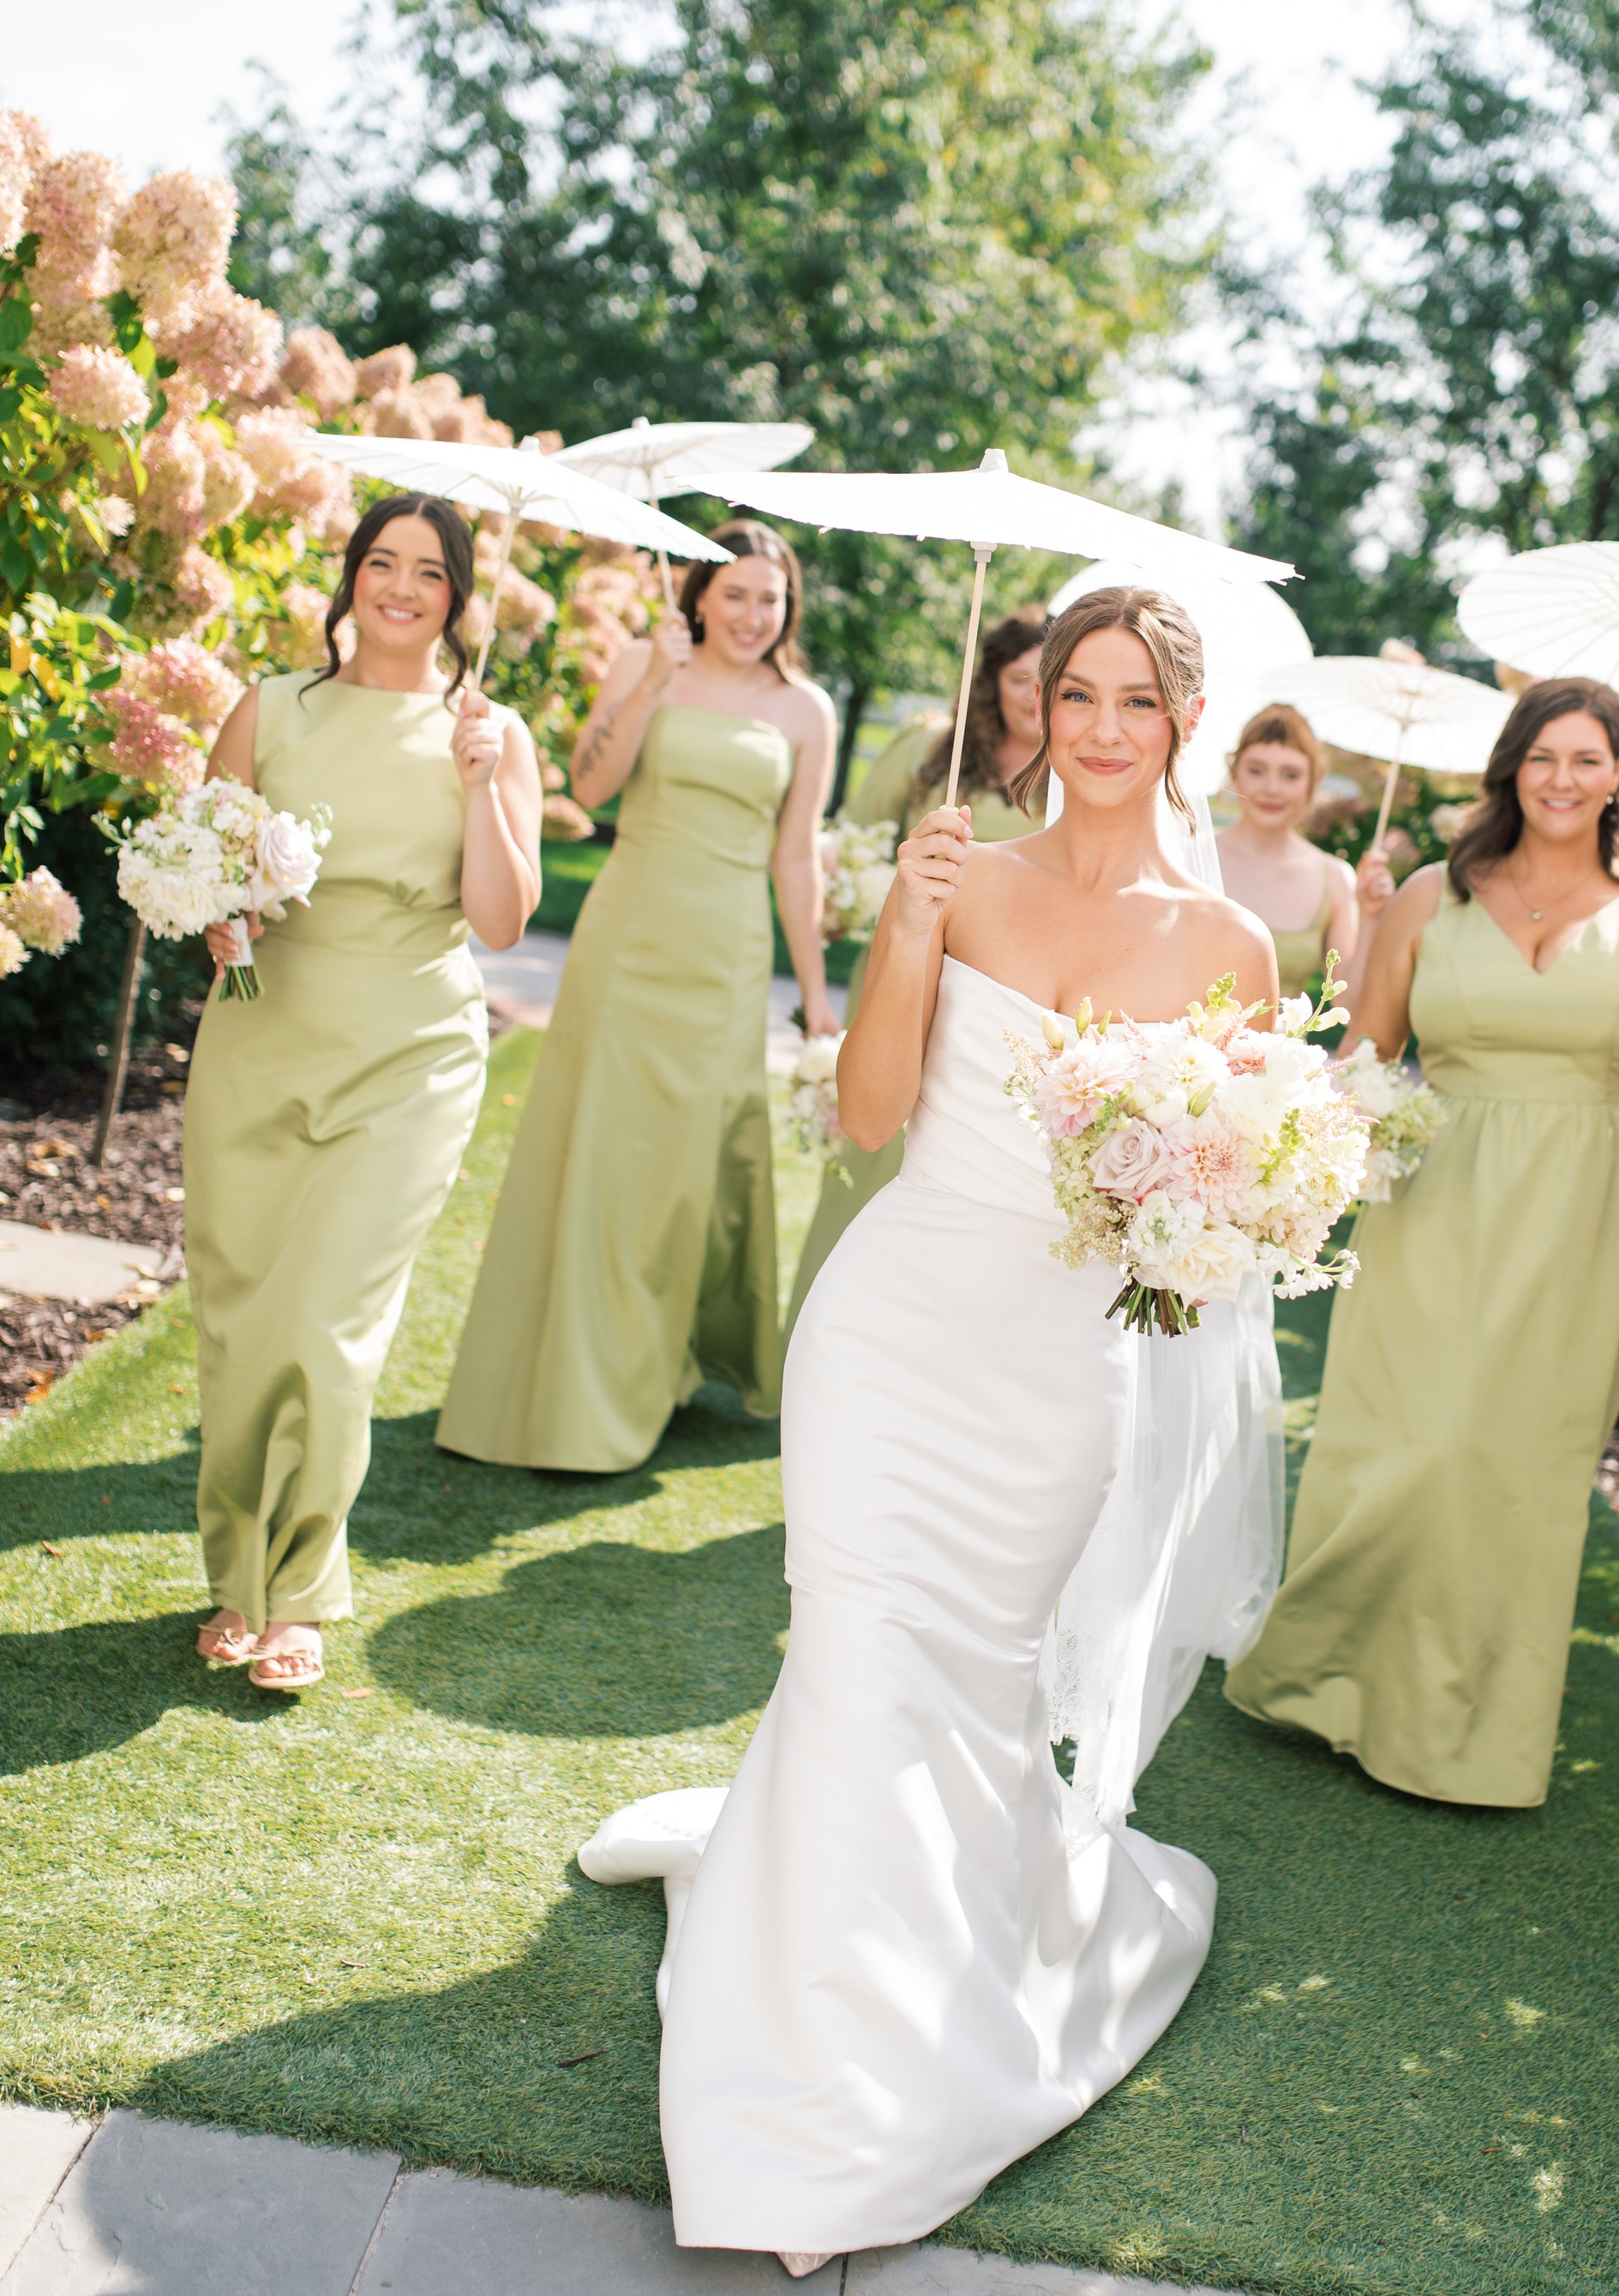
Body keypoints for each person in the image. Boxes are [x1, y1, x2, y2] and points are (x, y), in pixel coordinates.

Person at [580, 585, 1279, 2269]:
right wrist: (904, 925)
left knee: (963, 1689)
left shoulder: (1230, 951)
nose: (1100, 727)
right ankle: (813, 2088)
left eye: (1134, 700)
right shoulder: (967, 872)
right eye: (1074, 695)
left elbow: (1227, 1217)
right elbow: (871, 1113)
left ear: (1178, 722)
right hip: (889, 1332)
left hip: (1054, 1377)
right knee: (847, 1661)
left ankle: (934, 1985)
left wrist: (1186, 1212)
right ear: (1032, 707)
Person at [1225, 676, 1619, 1807]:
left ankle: (1469, 1736)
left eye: (1589, 759)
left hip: (1582, 1213)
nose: (1564, 778)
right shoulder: (1432, 895)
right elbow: (1365, 1050)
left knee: (1514, 1462)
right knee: (1407, 1436)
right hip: (1435, 1196)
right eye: (1544, 756)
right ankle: (1327, 1680)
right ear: (1510, 766)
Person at [186, 494, 542, 1694]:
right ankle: (235, 1576)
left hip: (411, 1053)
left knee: (327, 1329)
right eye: (381, 562)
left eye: (429, 571)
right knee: (242, 1320)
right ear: (351, 577)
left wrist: (485, 782)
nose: (402, 586)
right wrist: (225, 921)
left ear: (457, 595)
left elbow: (500, 921)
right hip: (261, 1038)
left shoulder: (492, 731)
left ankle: (300, 1591)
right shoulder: (270, 709)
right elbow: (207, 886)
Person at [436, 521, 833, 1471]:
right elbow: (590, 784)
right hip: (629, 932)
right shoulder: (642, 664)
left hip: (729, 950)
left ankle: (659, 1363)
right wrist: (654, 678)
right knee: (605, 1147)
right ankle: (569, 1379)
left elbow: (794, 855)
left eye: (769, 598)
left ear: (787, 607)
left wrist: (816, 993)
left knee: (685, 1160)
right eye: (734, 593)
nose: (751, 614)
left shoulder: (805, 709)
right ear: (698, 594)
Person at [783, 609, 1047, 1334]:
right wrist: (873, 888)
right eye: (1019, 678)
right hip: (903, 970)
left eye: (1047, 681)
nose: (1034, 694)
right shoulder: (932, 751)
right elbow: (857, 840)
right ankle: (823, 1338)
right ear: (991, 682)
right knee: (869, 1156)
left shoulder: (1064, 785)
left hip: (993, 1006)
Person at [1213, 702, 1364, 999]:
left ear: (1312, 781)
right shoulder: (1189, 856)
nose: (1272, 788)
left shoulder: (1334, 877)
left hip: (1287, 1045)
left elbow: (1347, 1000)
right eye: (1256, 770)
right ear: (1235, 771)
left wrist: (1370, 915)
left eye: (1291, 775)